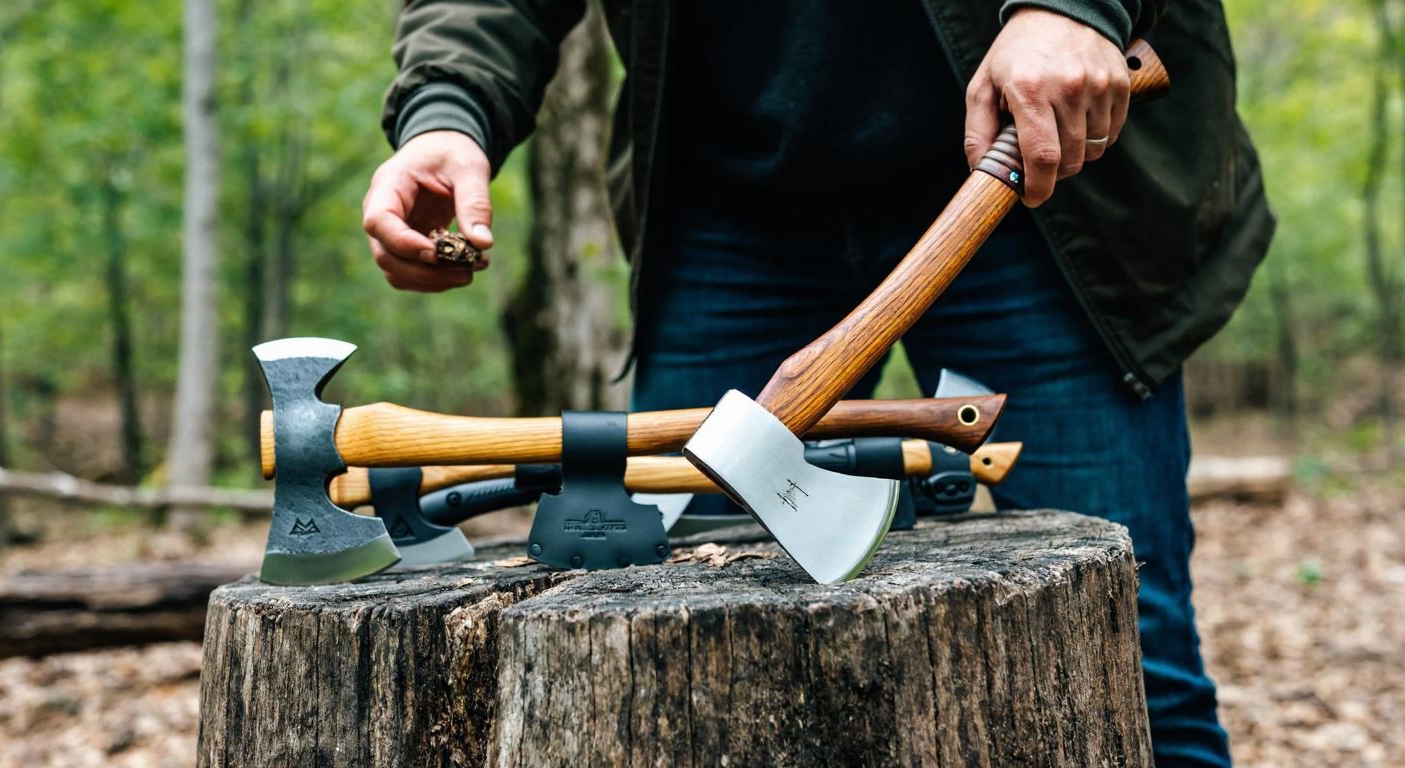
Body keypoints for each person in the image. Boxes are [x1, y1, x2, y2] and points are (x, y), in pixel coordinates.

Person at [363, 2, 1274, 765]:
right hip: (729, 192)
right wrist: (447, 108)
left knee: (1136, 655)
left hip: (1044, 171)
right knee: (668, 650)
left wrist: (1077, 4)